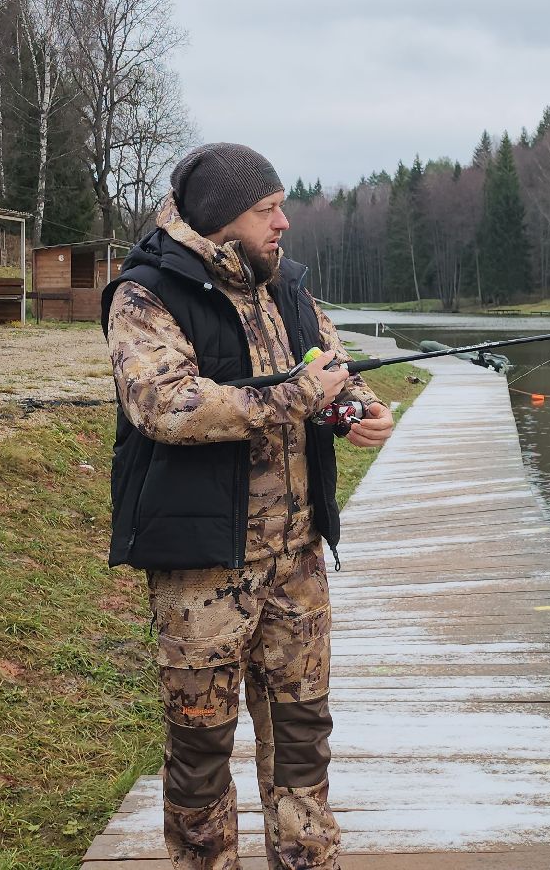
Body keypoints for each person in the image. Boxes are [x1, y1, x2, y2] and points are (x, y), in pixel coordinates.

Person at [100, 142, 394, 869]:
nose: (283, 223)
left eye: (281, 207)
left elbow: (332, 369)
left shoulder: (285, 287)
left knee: (301, 738)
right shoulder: (147, 293)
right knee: (200, 751)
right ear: (221, 218)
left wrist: (355, 407)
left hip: (296, 559)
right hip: (203, 570)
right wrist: (303, 395)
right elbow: (166, 406)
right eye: (267, 210)